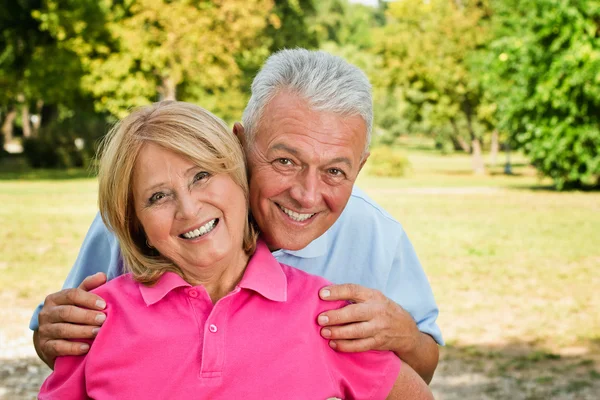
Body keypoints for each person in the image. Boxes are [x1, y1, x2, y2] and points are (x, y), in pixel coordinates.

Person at [32, 49, 443, 383]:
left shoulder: (376, 234)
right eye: (285, 160)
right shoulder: (142, 221)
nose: (306, 194)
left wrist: (403, 333)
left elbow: (419, 371)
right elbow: (70, 353)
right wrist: (52, 336)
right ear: (239, 143)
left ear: (360, 166)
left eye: (335, 171)